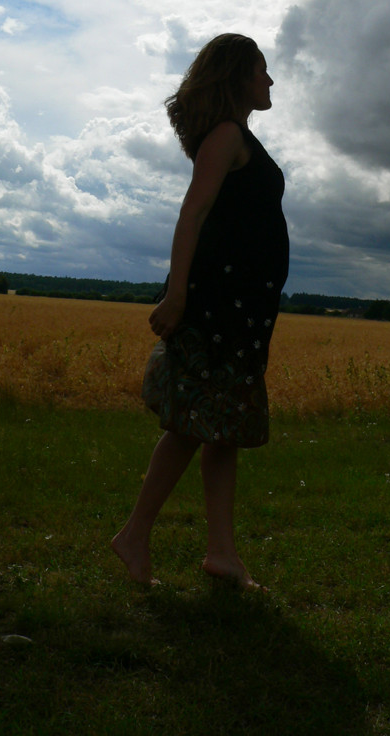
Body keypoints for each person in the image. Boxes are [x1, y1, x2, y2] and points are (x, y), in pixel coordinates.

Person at [111, 33, 289, 590]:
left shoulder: (237, 136)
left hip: (238, 313)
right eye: (262, 70)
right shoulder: (227, 135)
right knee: (194, 426)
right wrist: (178, 295)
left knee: (221, 431)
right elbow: (193, 213)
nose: (270, 80)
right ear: (238, 76)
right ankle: (135, 535)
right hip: (215, 309)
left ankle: (221, 554)